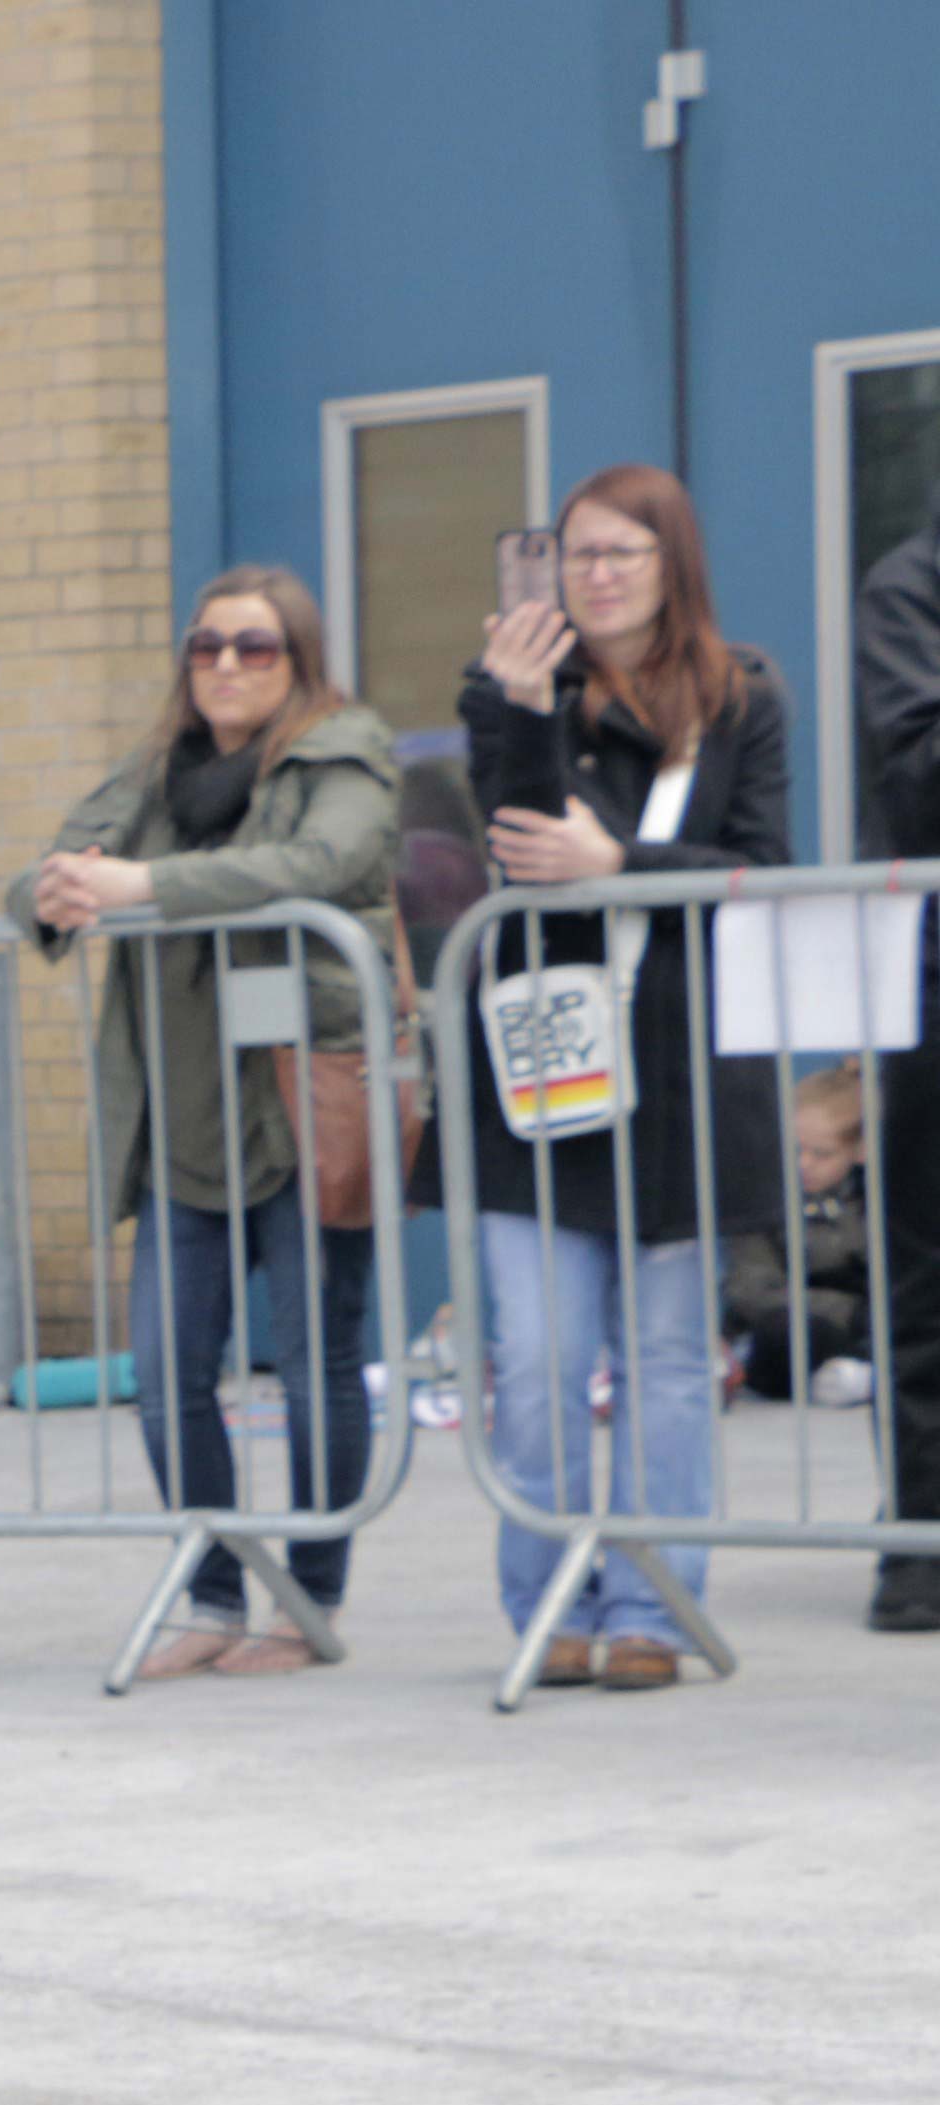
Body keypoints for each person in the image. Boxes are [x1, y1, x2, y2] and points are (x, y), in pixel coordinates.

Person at [9, 564, 402, 1679]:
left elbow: (323, 862)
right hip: (180, 1110)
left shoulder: (346, 749)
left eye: (256, 646)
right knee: (168, 1364)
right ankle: (215, 1592)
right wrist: (51, 892)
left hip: (298, 1092)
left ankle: (307, 1599)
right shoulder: (154, 770)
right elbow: (55, 863)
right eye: (208, 645)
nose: (226, 665)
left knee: (315, 1358)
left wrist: (141, 887)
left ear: (299, 661)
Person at [456, 461, 792, 1691]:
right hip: (545, 1070)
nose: (595, 576)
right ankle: (550, 1605)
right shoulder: (501, 688)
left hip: (682, 1069)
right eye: (577, 553)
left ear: (672, 566)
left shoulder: (745, 698)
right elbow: (515, 843)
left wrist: (623, 861)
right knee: (540, 1354)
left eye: (621, 554)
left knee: (662, 1358)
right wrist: (529, 705)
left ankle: (648, 1608)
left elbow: (761, 862)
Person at [854, 484, 940, 1633]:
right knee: (927, 1265)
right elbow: (916, 773)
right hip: (931, 979)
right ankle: (920, 1541)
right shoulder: (909, 589)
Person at [724, 1061, 871, 1403]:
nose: (803, 1163)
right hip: (798, 1324)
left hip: (870, 1326)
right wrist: (852, 1310)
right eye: (794, 1151)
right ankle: (855, 1377)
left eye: (821, 1154)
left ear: (860, 1150)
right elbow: (752, 1291)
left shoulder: (877, 1201)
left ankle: (862, 1375)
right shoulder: (763, 1202)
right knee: (787, 1333)